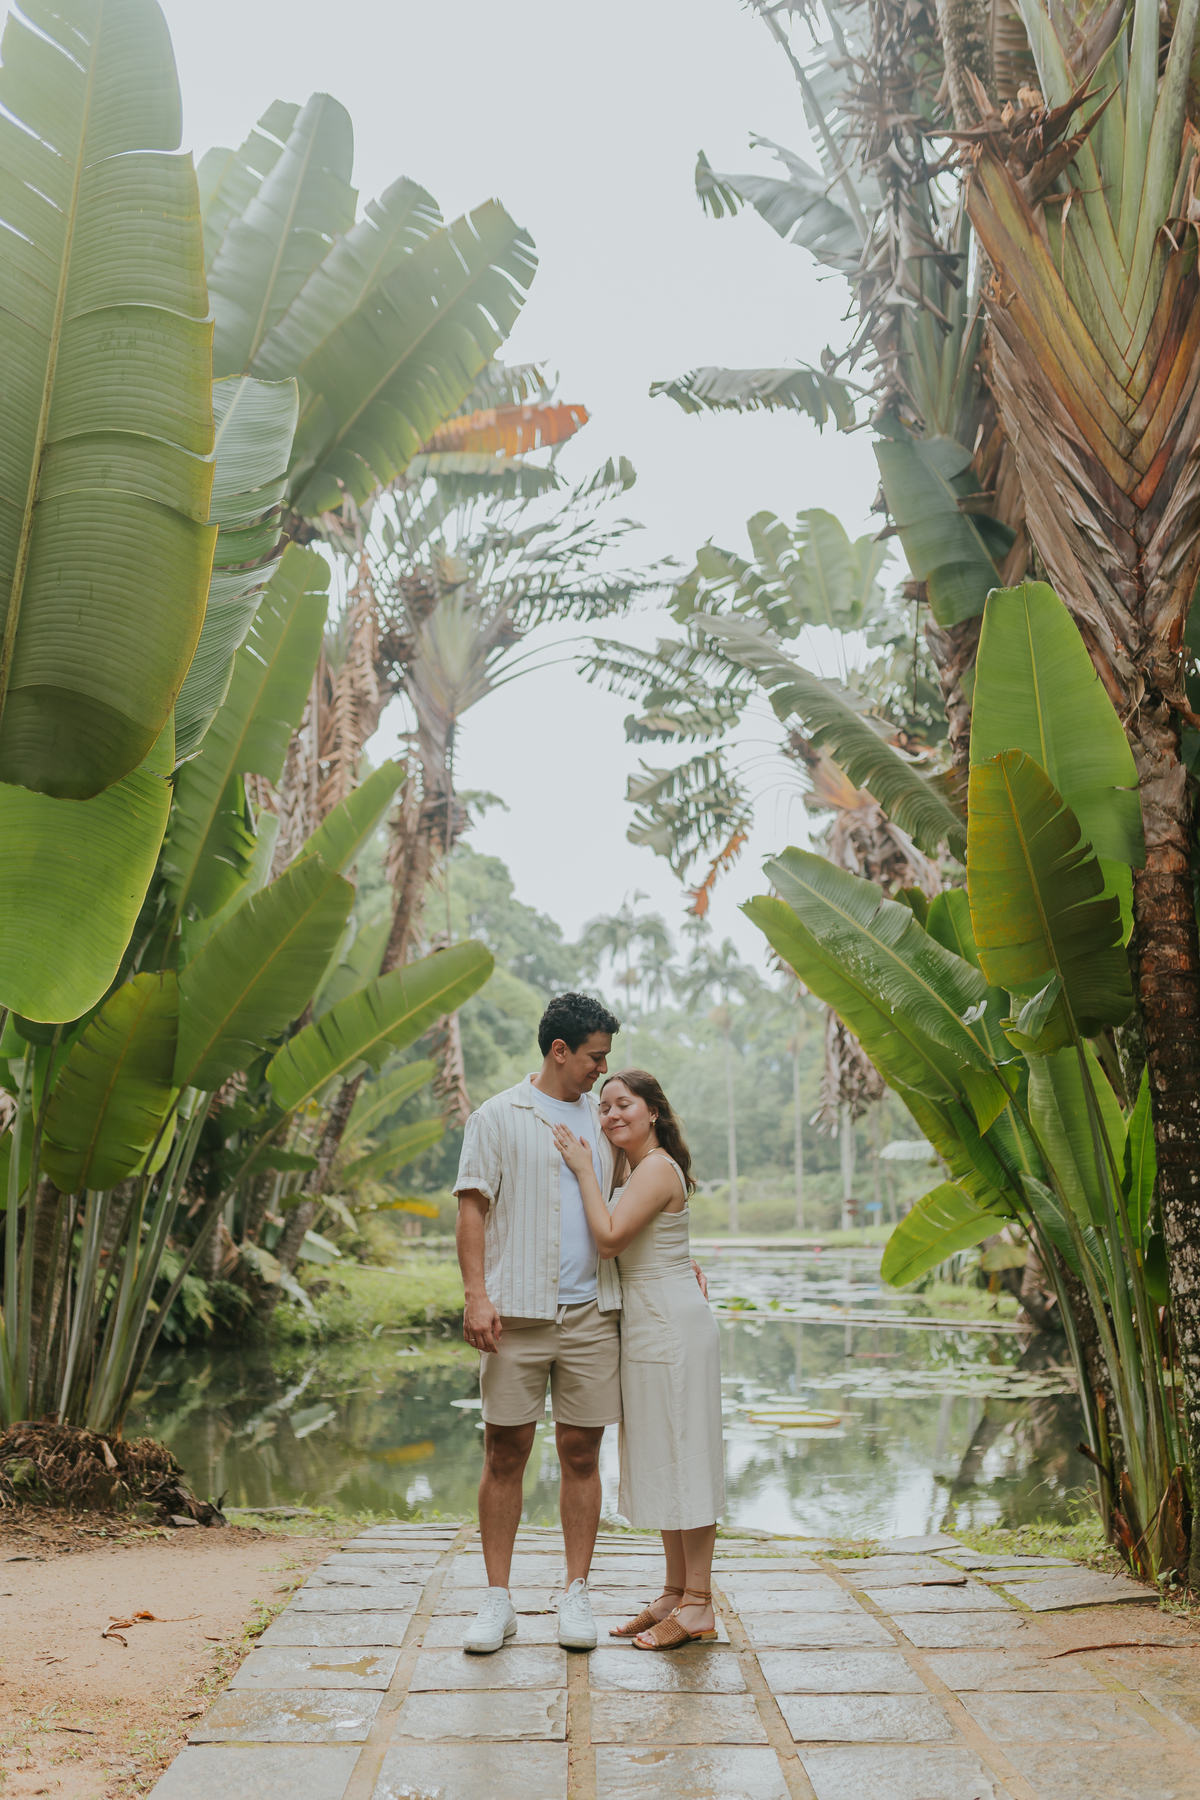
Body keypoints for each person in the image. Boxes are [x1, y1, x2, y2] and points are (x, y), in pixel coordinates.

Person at [453, 991, 623, 1655]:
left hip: (590, 1314)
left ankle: (575, 1594)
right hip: (515, 1315)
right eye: (594, 1057)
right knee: (505, 1454)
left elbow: (634, 1198)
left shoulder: (604, 1122)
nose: (601, 1071)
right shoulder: (497, 1117)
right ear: (560, 1050)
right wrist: (476, 1296)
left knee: (582, 1454)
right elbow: (472, 1209)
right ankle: (497, 1600)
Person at [552, 1068, 725, 1651]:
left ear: (653, 1110)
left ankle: (700, 1604)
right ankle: (675, 1592)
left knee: (688, 1457)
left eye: (623, 1104)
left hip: (672, 1327)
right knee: (665, 1456)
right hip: (651, 1324)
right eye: (604, 1108)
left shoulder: (652, 1168)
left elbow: (609, 1239)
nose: (610, 1115)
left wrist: (581, 1170)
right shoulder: (634, 1167)